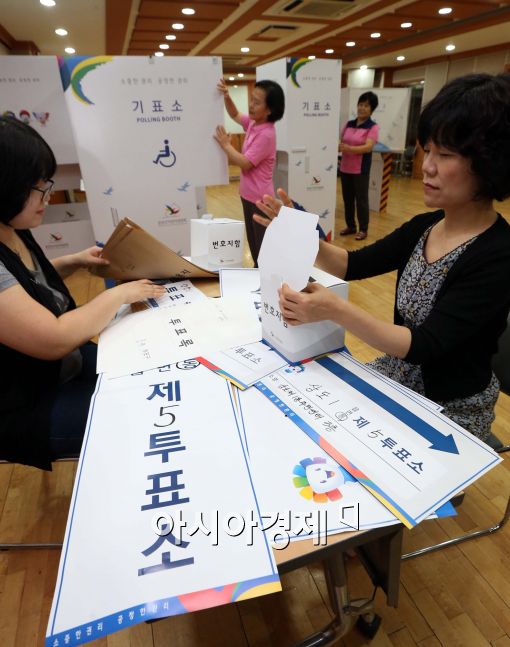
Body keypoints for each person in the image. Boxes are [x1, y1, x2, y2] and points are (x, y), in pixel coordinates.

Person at [254, 73, 510, 442]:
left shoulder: (498, 254)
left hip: (450, 407)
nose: (427, 166)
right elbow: (352, 264)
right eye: (428, 150)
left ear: (489, 163)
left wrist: (335, 310)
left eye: (445, 154)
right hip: (399, 376)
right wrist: (299, 231)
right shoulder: (426, 226)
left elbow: (423, 346)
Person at [0, 117, 166, 469]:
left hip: (62, 366)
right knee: (145, 413)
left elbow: (23, 283)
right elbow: (54, 338)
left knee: (150, 374)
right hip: (29, 402)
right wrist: (118, 295)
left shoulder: (11, 225)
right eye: (38, 188)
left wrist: (72, 261)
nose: (48, 197)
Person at [214, 77, 285, 266]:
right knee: (254, 246)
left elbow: (245, 163)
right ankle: (257, 273)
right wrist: (227, 96)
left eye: (257, 102)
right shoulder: (254, 123)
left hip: (260, 200)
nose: (251, 105)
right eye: (251, 99)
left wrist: (226, 145)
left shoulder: (267, 134)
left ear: (269, 110)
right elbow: (235, 114)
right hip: (247, 195)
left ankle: (264, 277)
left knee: (262, 249)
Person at [339, 91, 379, 241]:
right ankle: (351, 226)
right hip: (345, 168)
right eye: (360, 104)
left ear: (372, 109)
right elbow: (341, 141)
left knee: (361, 200)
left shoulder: (373, 127)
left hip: (360, 169)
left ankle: (363, 229)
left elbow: (368, 147)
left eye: (366, 106)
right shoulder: (349, 124)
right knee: (347, 199)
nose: (362, 108)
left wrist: (349, 149)